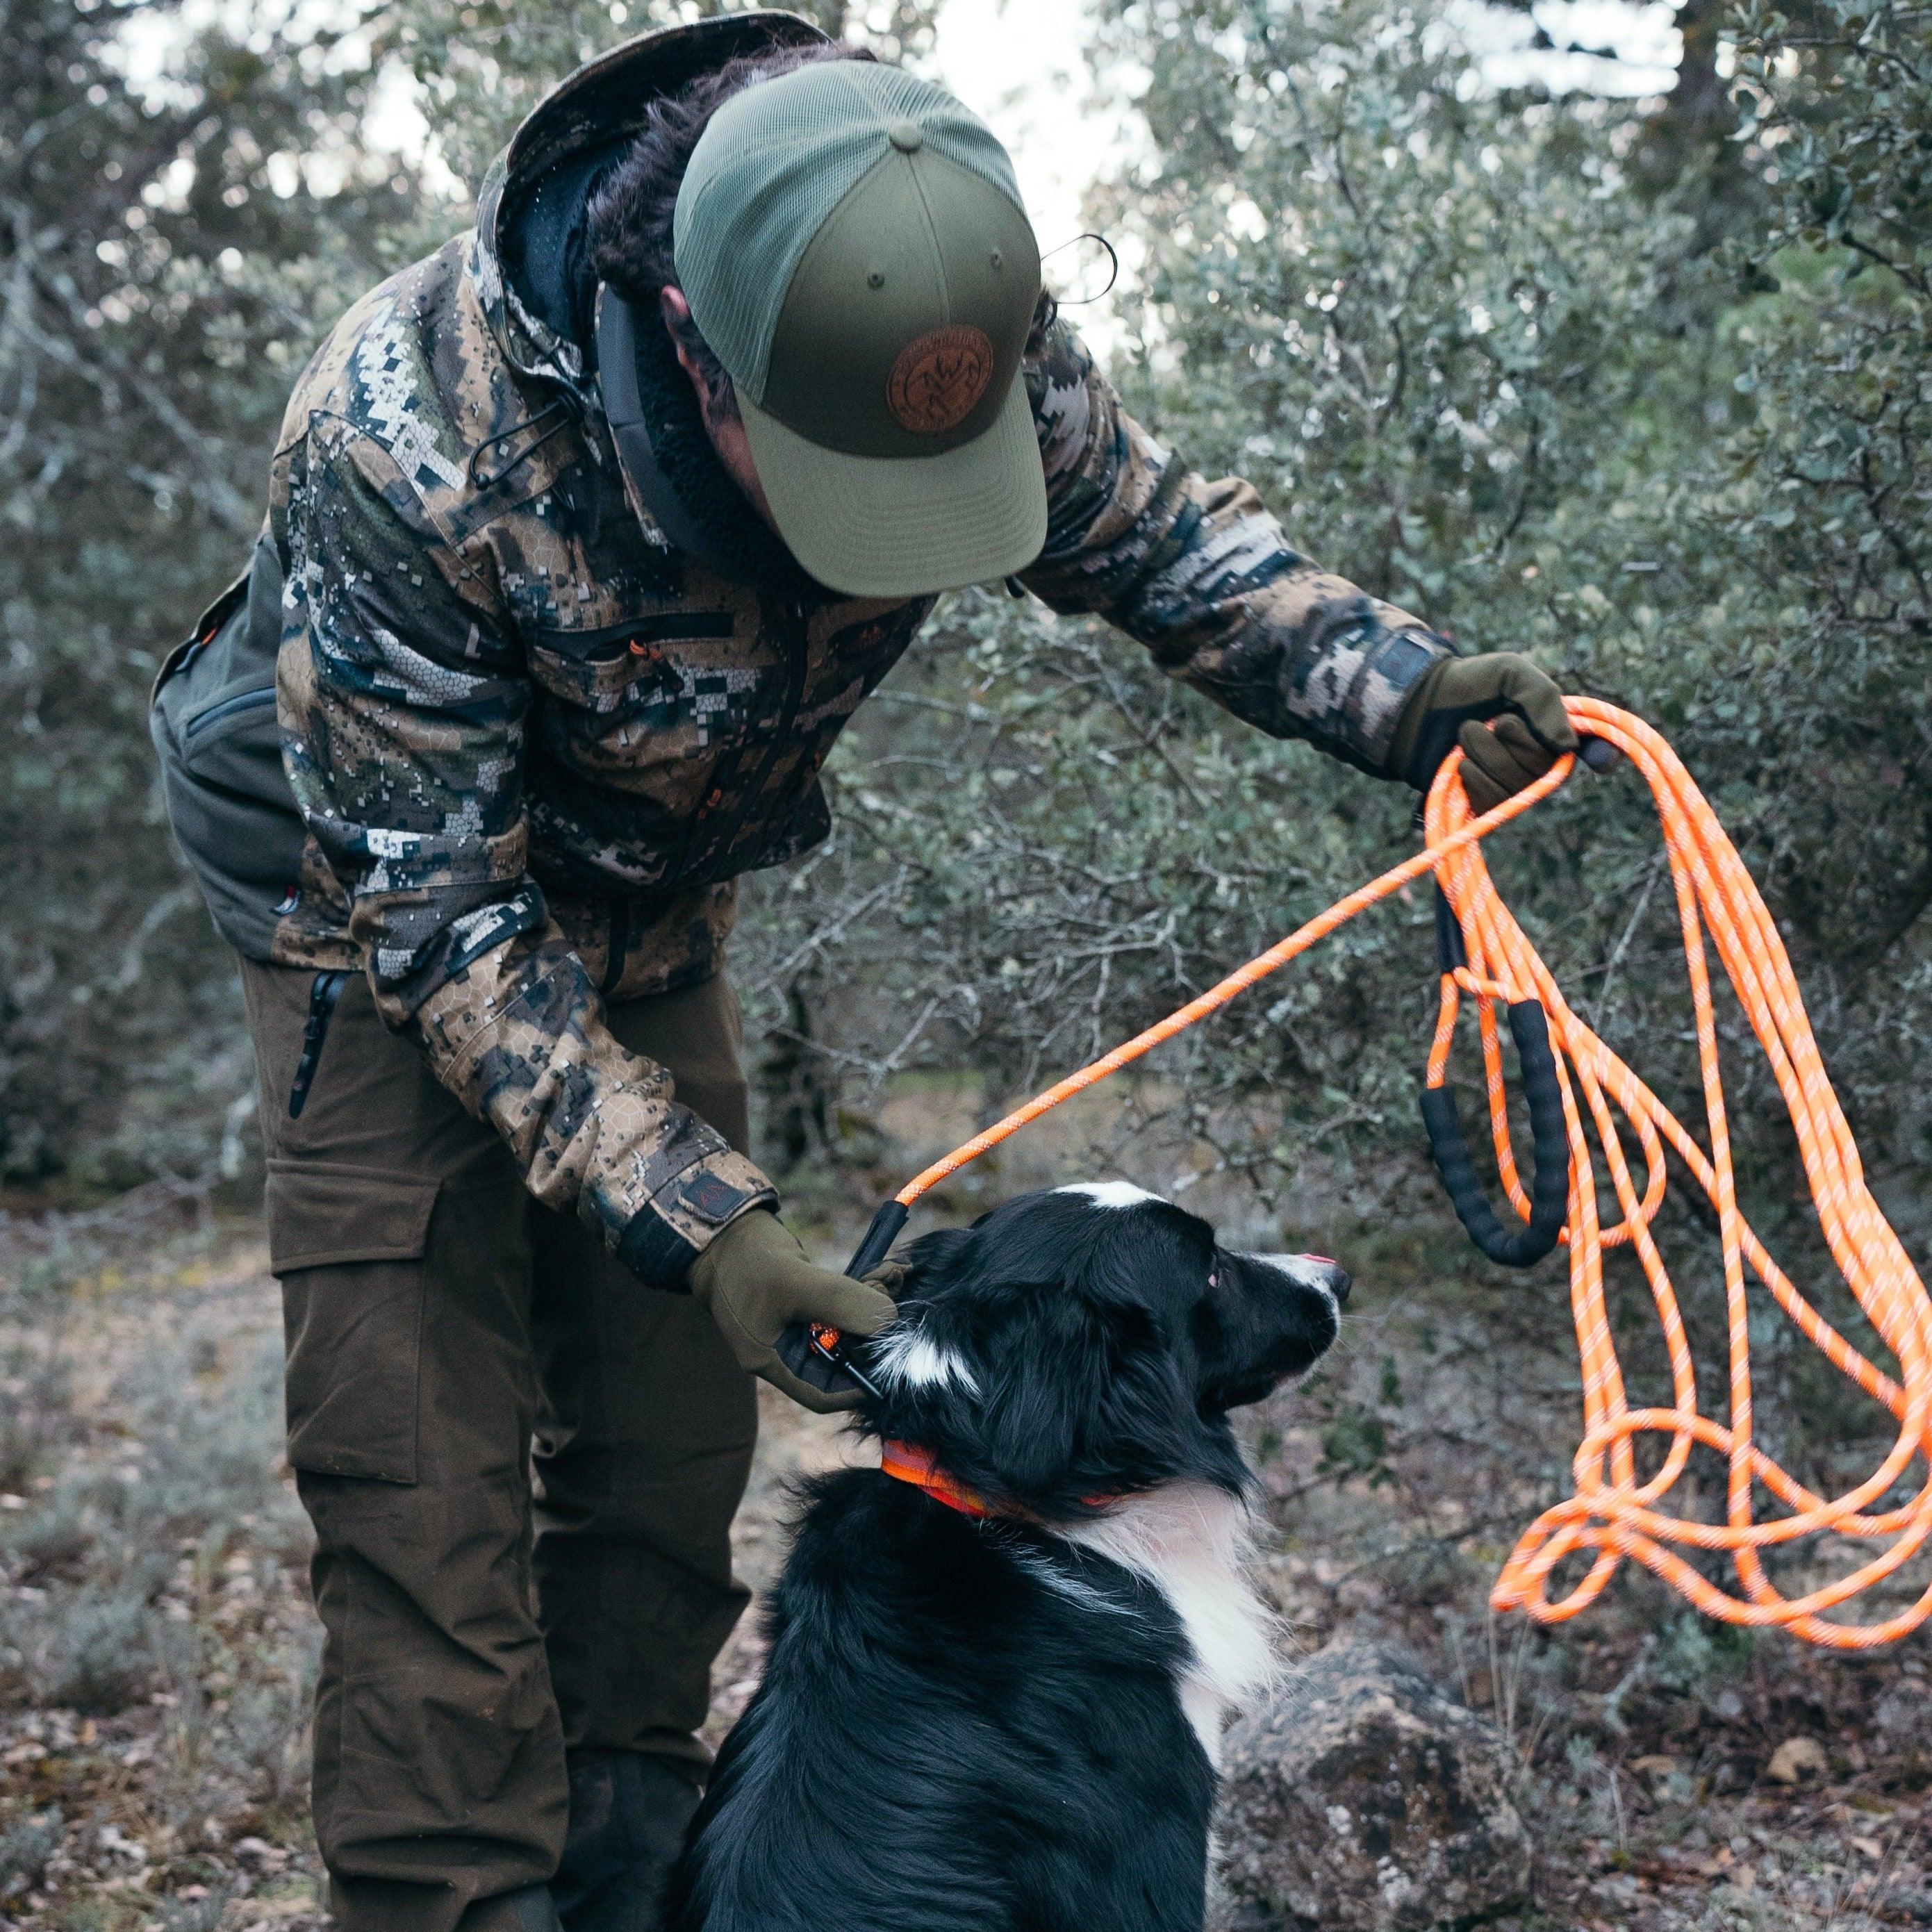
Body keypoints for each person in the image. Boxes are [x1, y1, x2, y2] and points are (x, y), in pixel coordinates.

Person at [149, 13, 1575, 1932]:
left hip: (649, 903)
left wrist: (1409, 697)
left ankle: (646, 1891)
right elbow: (446, 924)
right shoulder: (408, 440)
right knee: (432, 1510)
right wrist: (714, 1218)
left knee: (662, 1473)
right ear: (686, 337)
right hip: (375, 909)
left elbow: (1164, 546)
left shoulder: (933, 309)